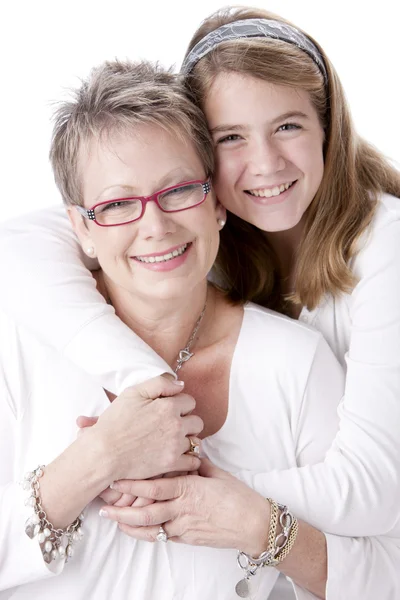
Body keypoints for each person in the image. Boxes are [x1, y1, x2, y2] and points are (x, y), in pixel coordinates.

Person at [1, 5, 400, 598]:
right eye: (231, 137)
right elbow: (22, 240)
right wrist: (113, 440)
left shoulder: (359, 283)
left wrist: (207, 493)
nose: (154, 226)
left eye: (288, 126)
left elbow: (379, 506)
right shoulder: (28, 330)